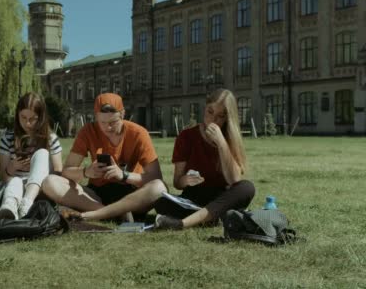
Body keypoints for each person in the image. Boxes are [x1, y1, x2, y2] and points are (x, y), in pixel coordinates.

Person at [42, 93, 167, 221]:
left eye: (113, 122)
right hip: (97, 195)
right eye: (102, 122)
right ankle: (113, 213)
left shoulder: (138, 133)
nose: (108, 127)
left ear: (123, 114)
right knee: (49, 182)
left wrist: (123, 175)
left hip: (132, 194)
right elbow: (66, 172)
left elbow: (155, 177)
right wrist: (86, 172)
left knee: (159, 187)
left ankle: (99, 214)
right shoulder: (87, 131)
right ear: (96, 116)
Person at [154, 88, 255, 230]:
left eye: (220, 116)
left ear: (227, 118)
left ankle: (182, 223)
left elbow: (234, 180)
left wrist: (221, 143)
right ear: (205, 108)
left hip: (220, 199)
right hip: (193, 198)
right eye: (210, 111)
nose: (213, 120)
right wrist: (185, 180)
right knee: (161, 202)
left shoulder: (230, 139)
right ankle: (212, 218)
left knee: (247, 187)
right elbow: (177, 183)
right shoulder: (186, 136)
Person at [0, 92, 63, 219]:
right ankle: (9, 208)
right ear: (17, 115)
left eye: (33, 119)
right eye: (23, 118)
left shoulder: (50, 138)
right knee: (15, 181)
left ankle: (26, 203)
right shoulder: (8, 138)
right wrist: (12, 167)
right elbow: (2, 177)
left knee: (42, 154)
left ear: (41, 117)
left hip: (41, 189)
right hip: (14, 185)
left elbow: (58, 172)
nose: (27, 123)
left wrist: (38, 171)